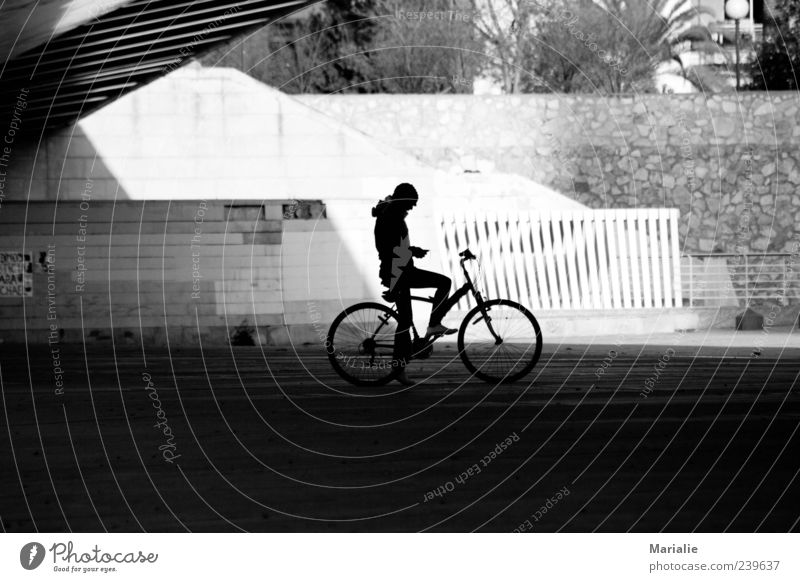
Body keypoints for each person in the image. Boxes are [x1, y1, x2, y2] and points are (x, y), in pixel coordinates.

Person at [372, 183, 456, 385]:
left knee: (405, 321)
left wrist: (411, 251)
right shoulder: (390, 216)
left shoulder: (392, 213)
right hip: (398, 273)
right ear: (402, 200)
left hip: (401, 271)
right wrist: (413, 251)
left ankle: (398, 370)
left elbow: (394, 247)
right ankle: (434, 325)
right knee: (444, 283)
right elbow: (388, 248)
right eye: (410, 204)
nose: (411, 209)